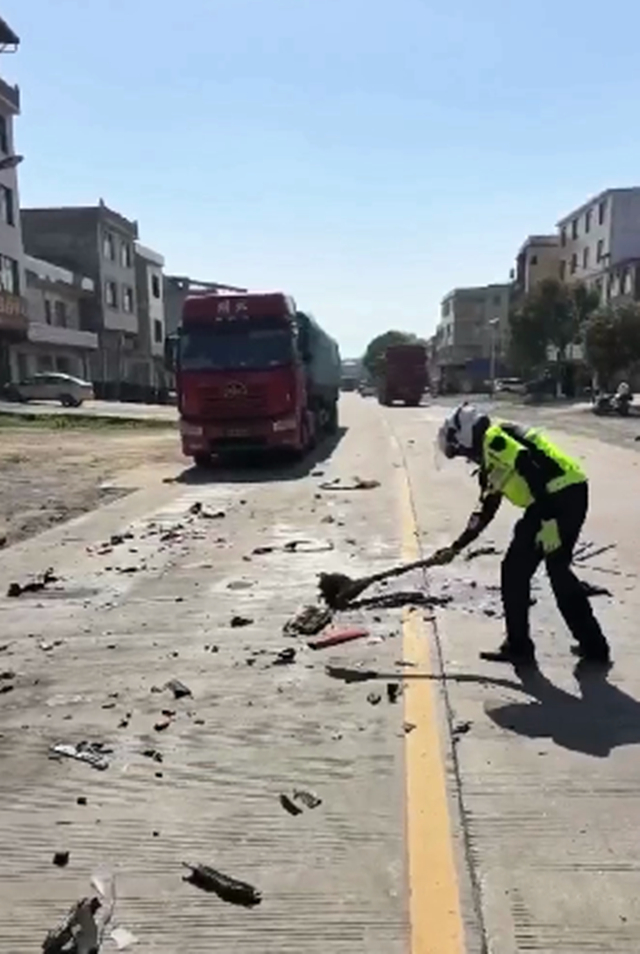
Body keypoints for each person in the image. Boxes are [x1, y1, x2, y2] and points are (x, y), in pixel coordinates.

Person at [435, 403, 611, 667]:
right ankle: (594, 646)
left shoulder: (495, 439)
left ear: (466, 436)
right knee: (557, 570)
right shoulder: (491, 462)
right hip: (567, 495)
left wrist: (548, 519)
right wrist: (456, 547)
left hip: (555, 499)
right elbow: (485, 511)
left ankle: (520, 647)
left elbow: (528, 465)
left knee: (517, 571)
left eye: (462, 451)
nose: (467, 457)